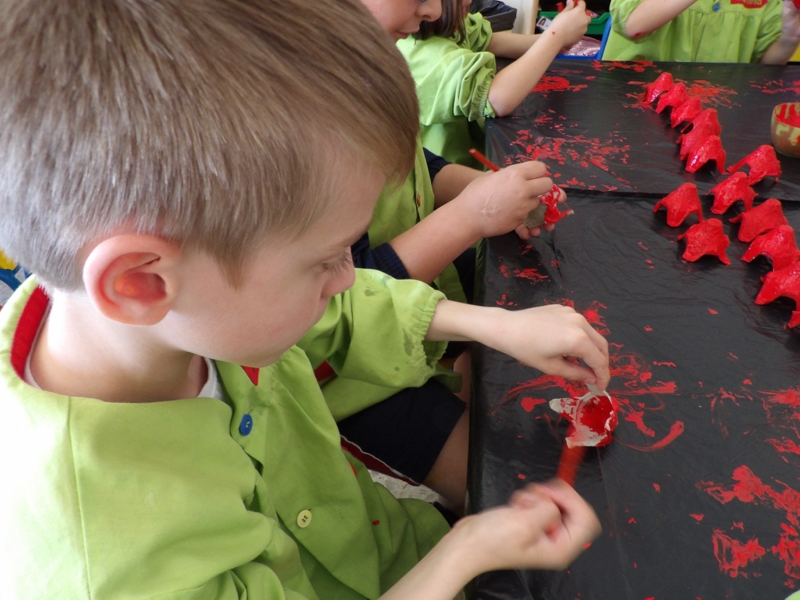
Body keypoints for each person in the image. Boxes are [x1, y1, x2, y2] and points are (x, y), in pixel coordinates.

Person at [0, 0, 610, 598]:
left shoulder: (190, 312)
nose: (348, 277)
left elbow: (340, 311)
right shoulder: (106, 564)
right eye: (327, 260)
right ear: (140, 284)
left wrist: (491, 325)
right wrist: (463, 554)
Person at [326, 0, 572, 518]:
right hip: (354, 377)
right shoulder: (301, 120)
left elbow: (419, 162)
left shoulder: (375, 63)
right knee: (502, 487)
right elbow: (347, 293)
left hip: (418, 304)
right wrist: (471, 216)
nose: (436, 8)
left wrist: (491, 192)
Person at [396, 0, 591, 168]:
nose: (469, 1)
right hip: (450, 176)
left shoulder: (447, 26)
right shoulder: (423, 54)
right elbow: (497, 99)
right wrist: (556, 36)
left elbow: (491, 41)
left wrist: (554, 40)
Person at [603, 0, 800, 63]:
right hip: (635, 99)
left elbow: (763, 63)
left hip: (716, 108)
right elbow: (633, 24)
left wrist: (790, 37)